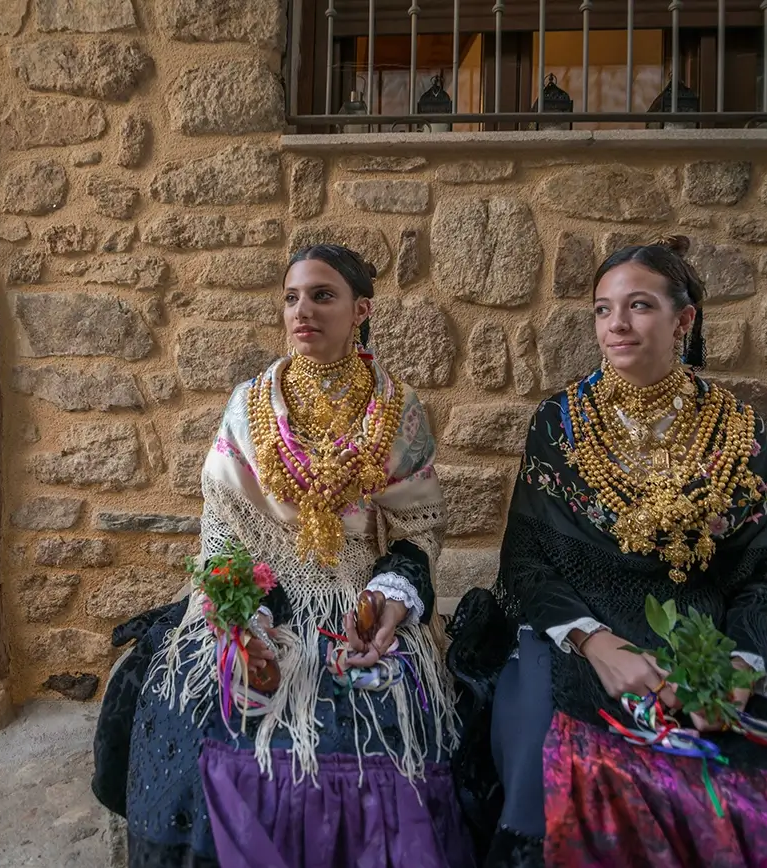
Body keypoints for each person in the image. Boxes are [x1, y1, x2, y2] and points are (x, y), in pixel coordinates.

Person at [447, 235, 767, 867]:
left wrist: (741, 668)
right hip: (577, 639)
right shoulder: (559, 422)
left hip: (704, 641)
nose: (616, 324)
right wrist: (597, 642)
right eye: (603, 309)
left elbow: (761, 577)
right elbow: (529, 563)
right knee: (572, 803)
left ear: (684, 320)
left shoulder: (737, 430)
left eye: (638, 306)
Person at [92, 244, 474, 867]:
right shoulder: (248, 406)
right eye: (293, 297)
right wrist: (246, 615)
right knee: (199, 710)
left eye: (324, 296)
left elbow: (417, 530)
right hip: (258, 588)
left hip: (355, 601)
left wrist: (390, 599)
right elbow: (223, 530)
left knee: (382, 724)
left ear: (361, 311)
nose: (304, 311)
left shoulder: (397, 410)